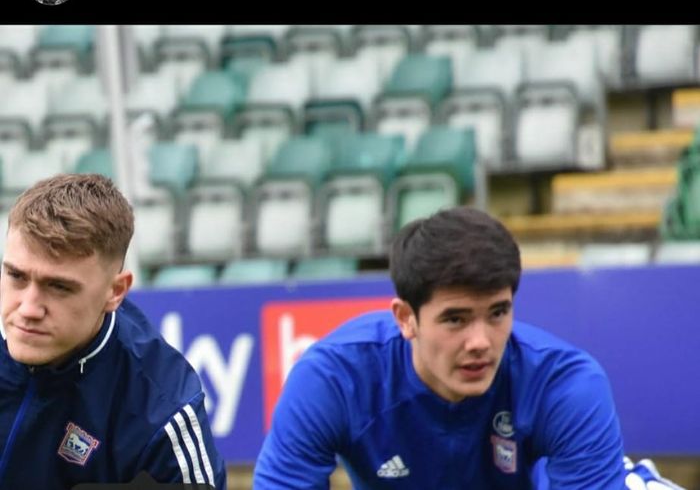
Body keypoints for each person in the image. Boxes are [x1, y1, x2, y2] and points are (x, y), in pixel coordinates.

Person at [254, 206, 685, 489]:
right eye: (455, 319)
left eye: (497, 313)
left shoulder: (566, 384)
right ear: (406, 318)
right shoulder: (332, 379)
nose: (480, 342)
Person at [0, 174, 226, 490]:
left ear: (115, 291)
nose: (28, 308)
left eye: (59, 286)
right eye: (16, 276)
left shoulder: (161, 411)